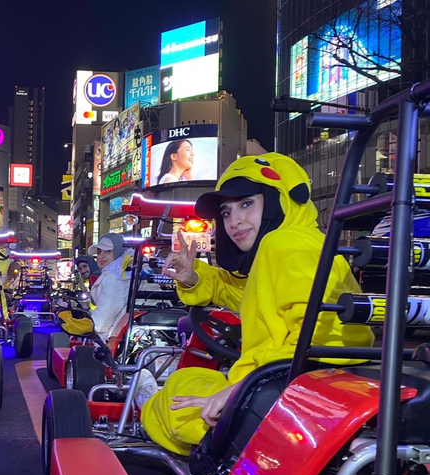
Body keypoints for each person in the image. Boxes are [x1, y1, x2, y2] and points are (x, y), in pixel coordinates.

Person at [136, 153, 374, 455]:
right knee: (186, 382)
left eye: (246, 204)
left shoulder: (287, 245)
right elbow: (245, 294)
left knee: (175, 397)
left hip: (281, 388)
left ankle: (145, 404)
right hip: (286, 381)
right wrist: (193, 278)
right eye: (226, 212)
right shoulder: (288, 247)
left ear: (280, 200)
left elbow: (319, 334)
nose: (234, 221)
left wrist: (240, 387)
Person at [86, 233, 133, 341]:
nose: (101, 256)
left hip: (120, 340)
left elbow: (104, 318)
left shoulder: (115, 275)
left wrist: (88, 327)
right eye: (99, 251)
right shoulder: (128, 268)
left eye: (107, 251)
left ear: (118, 251)